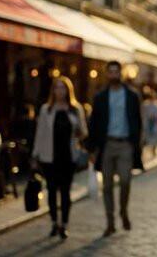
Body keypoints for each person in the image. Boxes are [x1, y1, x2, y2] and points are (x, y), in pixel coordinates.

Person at [88, 60, 143, 237]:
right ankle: (110, 223)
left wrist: (138, 145)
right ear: (107, 74)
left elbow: (138, 122)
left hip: (125, 144)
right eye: (110, 72)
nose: (113, 75)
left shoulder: (132, 96)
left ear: (121, 73)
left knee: (126, 181)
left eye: (116, 72)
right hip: (107, 145)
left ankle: (123, 211)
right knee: (108, 185)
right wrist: (92, 149)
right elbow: (94, 124)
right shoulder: (100, 97)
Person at [31, 77, 88, 239]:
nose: (60, 91)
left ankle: (65, 224)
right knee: (51, 190)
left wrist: (77, 128)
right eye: (57, 88)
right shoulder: (46, 109)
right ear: (53, 91)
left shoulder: (75, 109)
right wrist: (35, 155)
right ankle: (54, 222)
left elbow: (83, 132)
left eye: (63, 88)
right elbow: (40, 134)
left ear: (68, 91)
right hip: (49, 156)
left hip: (68, 156)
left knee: (65, 192)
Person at [142, 89, 157, 156]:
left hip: (155, 123)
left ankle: (154, 150)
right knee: (149, 136)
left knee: (155, 137)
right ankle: (150, 149)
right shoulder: (145, 105)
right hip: (148, 122)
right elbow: (144, 114)